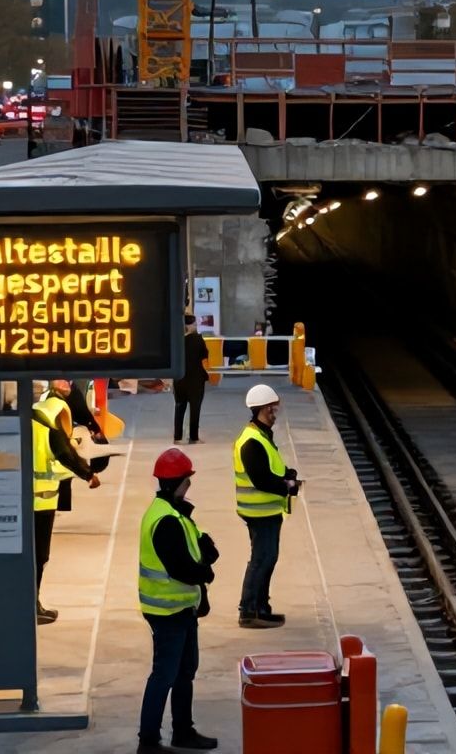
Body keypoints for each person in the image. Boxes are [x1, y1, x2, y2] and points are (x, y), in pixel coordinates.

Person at [136, 449, 219, 752]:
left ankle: (183, 731)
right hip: (167, 610)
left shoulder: (174, 512)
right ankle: (148, 741)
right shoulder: (166, 520)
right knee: (164, 675)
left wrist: (205, 557)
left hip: (182, 608)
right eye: (188, 481)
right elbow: (181, 567)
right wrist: (206, 575)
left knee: (185, 672)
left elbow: (202, 547)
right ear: (179, 482)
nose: (190, 486)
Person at [31, 388, 99, 624]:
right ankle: (32, 605)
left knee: (21, 555)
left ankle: (23, 602)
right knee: (39, 556)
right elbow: (64, 453)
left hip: (17, 501)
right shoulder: (51, 425)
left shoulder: (29, 417)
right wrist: (88, 474)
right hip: (41, 501)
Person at [234, 384, 299, 628]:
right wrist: (287, 486)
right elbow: (260, 478)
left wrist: (287, 474)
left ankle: (261, 607)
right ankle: (249, 611)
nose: (275, 412)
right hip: (258, 511)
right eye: (272, 408)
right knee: (261, 560)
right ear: (262, 409)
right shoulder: (252, 441)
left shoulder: (261, 435)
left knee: (267, 559)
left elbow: (271, 468)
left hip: (268, 510)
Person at [173, 315, 210, 444]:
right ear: (190, 325)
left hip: (179, 379)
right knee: (195, 409)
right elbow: (205, 356)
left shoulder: (176, 340)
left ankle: (177, 437)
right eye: (194, 324)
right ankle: (193, 437)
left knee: (179, 407)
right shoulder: (198, 340)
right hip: (196, 379)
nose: (196, 326)